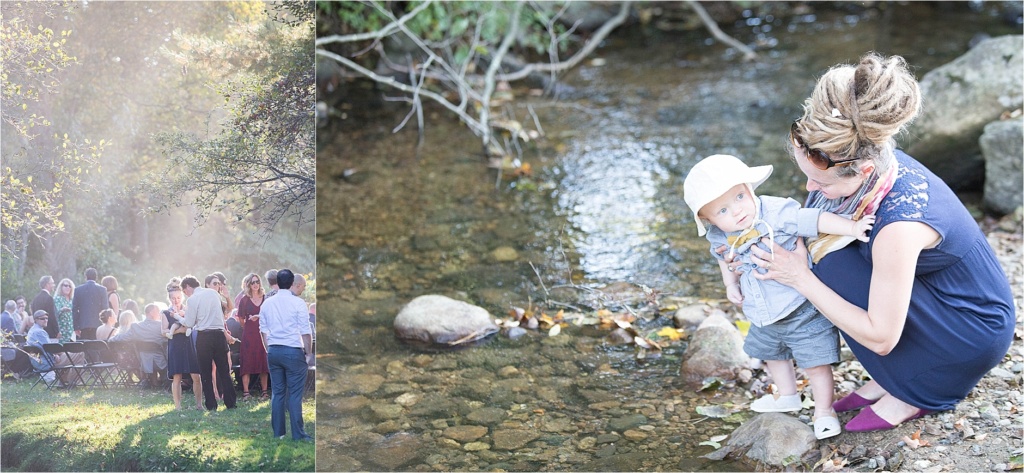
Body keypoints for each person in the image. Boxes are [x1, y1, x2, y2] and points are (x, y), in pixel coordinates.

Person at [745, 53, 1015, 433]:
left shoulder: (899, 227)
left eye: (820, 183)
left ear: (864, 170)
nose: (809, 188)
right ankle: (893, 378)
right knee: (823, 244)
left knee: (826, 265)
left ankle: (918, 388)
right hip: (938, 296)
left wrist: (799, 277)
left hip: (967, 332)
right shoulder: (871, 153)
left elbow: (881, 337)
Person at [684, 154, 874, 440]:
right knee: (773, 355)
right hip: (760, 312)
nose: (736, 211)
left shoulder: (775, 212)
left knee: (815, 363)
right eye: (722, 211)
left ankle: (824, 411)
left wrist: (851, 227)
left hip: (799, 307)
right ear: (707, 220)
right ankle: (787, 395)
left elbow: (813, 219)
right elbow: (722, 258)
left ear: (749, 188)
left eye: (739, 197)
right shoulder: (718, 235)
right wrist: (730, 284)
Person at [260, 269, 313, 441]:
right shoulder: (298, 303)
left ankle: (279, 433)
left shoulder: (267, 303)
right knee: (295, 395)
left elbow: (263, 331)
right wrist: (308, 353)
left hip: (274, 350)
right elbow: (306, 332)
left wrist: (269, 349)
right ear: (291, 283)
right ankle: (298, 434)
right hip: (292, 351)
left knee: (278, 393)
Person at [177, 274, 236, 411]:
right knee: (224, 370)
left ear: (188, 287)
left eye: (185, 292)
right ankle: (231, 402)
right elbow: (223, 310)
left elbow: (190, 323)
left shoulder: (192, 300)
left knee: (206, 372)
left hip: (204, 336)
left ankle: (211, 404)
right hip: (219, 334)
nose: (185, 295)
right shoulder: (213, 293)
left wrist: (178, 317)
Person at [163, 278, 203, 411]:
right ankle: (178, 406)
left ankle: (199, 404)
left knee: (196, 375)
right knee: (177, 376)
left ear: (182, 297)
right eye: (173, 298)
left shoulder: (188, 309)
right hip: (175, 345)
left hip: (189, 344)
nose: (176, 300)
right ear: (169, 298)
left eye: (178, 297)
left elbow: (194, 324)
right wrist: (179, 330)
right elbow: (163, 331)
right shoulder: (166, 313)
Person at [110, 303, 168, 389]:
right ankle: (165, 382)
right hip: (161, 361)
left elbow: (124, 337)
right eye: (158, 311)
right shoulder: (161, 326)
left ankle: (154, 382)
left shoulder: (136, 326)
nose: (159, 313)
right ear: (151, 312)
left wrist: (111, 339)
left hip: (145, 361)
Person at [25, 310, 85, 385]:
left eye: (46, 318)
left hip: (39, 362)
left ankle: (63, 382)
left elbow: (45, 348)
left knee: (67, 355)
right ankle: (74, 382)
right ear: (36, 320)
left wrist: (56, 354)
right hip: (47, 363)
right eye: (42, 319)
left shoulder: (32, 330)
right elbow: (51, 348)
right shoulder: (40, 332)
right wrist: (57, 354)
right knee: (79, 354)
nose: (45, 320)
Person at [237, 272, 270, 399]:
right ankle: (246, 393)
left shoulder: (265, 298)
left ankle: (265, 392)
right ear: (248, 284)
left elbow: (269, 315)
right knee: (247, 361)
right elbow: (240, 318)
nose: (255, 284)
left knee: (263, 361)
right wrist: (247, 325)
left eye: (257, 282)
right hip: (249, 333)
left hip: (263, 332)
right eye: (253, 282)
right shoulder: (244, 300)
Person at [72, 268, 107, 340]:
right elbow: (105, 308)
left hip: (83, 325)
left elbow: (74, 309)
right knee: (96, 348)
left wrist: (76, 327)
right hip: (98, 324)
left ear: (86, 277)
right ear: (96, 277)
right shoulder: (102, 290)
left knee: (84, 348)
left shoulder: (78, 290)